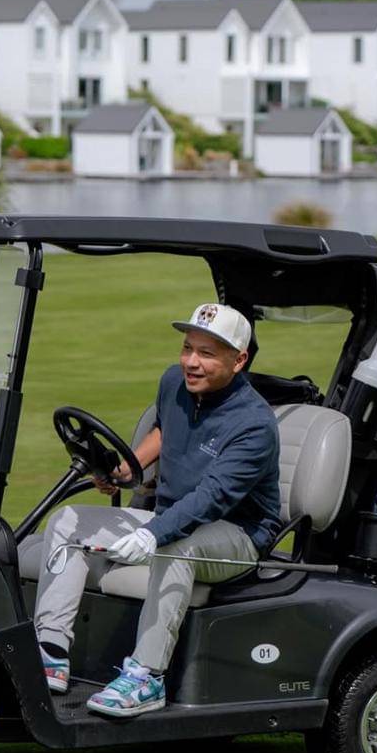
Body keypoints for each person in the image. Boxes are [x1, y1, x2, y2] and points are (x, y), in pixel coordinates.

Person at [34, 302, 281, 717]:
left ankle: (147, 677)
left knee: (174, 546)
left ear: (239, 360)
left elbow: (212, 498)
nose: (191, 362)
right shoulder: (174, 382)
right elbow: (164, 431)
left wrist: (152, 533)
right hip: (174, 515)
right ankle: (51, 651)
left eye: (207, 353)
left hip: (237, 535)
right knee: (67, 522)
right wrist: (125, 469)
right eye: (188, 348)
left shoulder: (254, 424)